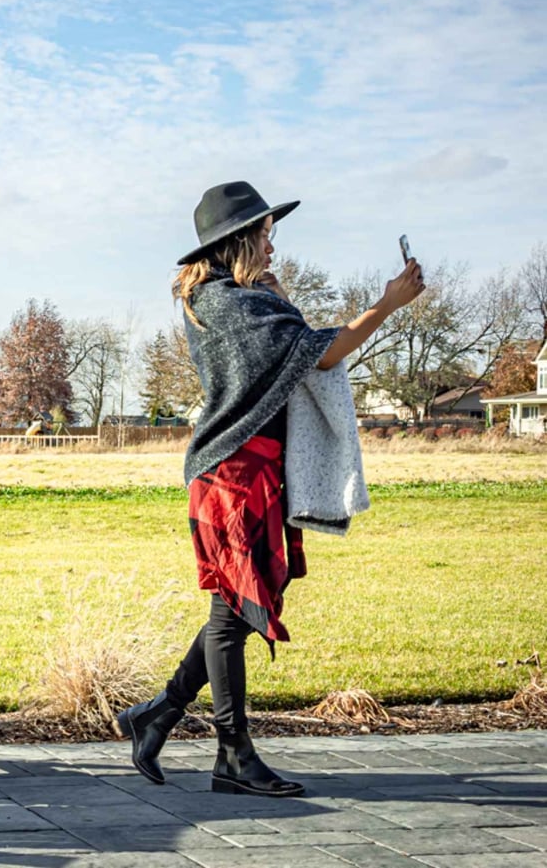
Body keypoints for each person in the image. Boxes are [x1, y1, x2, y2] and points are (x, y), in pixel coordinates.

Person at [116, 181, 425, 798]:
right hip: (233, 472)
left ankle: (160, 714)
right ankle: (231, 754)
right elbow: (322, 354)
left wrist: (280, 297)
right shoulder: (227, 304)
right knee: (233, 614)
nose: (272, 242)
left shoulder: (236, 298)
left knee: (234, 607)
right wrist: (387, 303)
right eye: (264, 232)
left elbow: (295, 352)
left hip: (248, 469)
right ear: (238, 241)